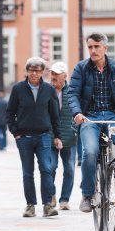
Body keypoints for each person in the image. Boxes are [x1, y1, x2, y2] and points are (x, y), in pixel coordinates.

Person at [68, 32, 115, 213]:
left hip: (114, 116)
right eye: (90, 47)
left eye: (97, 46)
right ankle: (88, 194)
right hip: (89, 117)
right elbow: (73, 93)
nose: (93, 50)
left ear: (105, 48)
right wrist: (77, 113)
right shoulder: (81, 68)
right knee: (90, 151)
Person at [6, 57, 61, 218]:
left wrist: (57, 136)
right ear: (27, 71)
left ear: (43, 72)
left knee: (46, 169)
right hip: (24, 138)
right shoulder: (18, 89)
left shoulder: (49, 90)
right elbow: (10, 113)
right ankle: (30, 206)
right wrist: (16, 132)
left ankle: (47, 206)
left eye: (37, 70)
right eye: (31, 70)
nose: (34, 73)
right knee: (27, 172)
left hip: (44, 136)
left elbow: (54, 115)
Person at [49, 62, 77, 210]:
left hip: (70, 137)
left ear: (65, 76)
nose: (53, 76)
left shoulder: (73, 91)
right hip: (51, 137)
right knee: (50, 167)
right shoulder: (46, 90)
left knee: (70, 169)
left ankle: (64, 200)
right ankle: (51, 195)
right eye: (52, 73)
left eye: (56, 74)